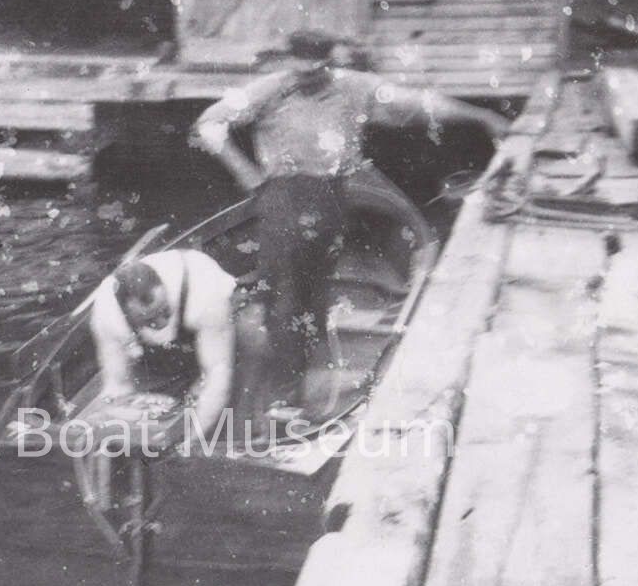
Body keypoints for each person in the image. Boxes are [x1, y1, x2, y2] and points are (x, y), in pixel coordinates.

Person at [192, 30, 509, 414]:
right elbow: (208, 123)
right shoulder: (268, 89)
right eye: (300, 70)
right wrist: (245, 171)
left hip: (332, 194)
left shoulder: (355, 86)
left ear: (330, 63)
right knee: (284, 294)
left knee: (315, 290)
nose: (307, 77)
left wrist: (479, 115)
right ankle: (281, 394)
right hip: (283, 196)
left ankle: (301, 371)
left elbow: (418, 103)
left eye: (316, 70)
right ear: (289, 62)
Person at [89, 249, 240, 450]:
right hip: (163, 350)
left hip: (215, 334)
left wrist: (192, 440)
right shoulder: (107, 314)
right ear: (126, 314)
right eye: (149, 321)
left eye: (165, 312)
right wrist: (130, 425)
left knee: (252, 342)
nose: (160, 323)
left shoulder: (204, 293)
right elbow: (117, 386)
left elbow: (218, 375)